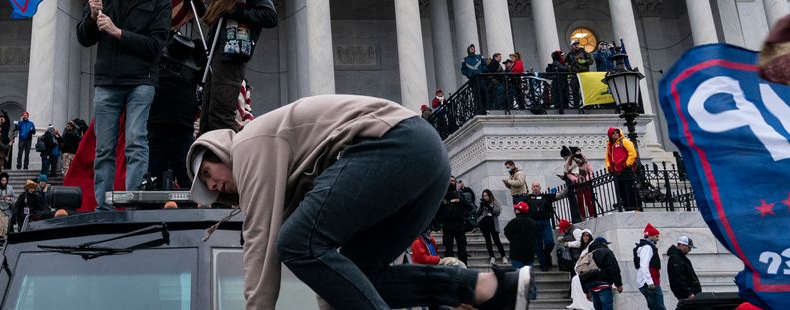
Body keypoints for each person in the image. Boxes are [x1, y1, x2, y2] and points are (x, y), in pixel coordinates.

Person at [187, 95, 535, 310]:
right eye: (208, 187)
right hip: (426, 160)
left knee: (293, 242)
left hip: (397, 143)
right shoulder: (288, 177)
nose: (214, 185)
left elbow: (262, 245)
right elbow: (330, 271)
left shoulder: (249, 143)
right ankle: (487, 288)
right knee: (361, 274)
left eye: (207, 173)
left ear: (217, 150)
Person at [77, 0, 171, 211]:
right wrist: (92, 16)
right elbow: (84, 38)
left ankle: (132, 203)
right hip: (108, 82)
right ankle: (103, 207)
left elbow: (156, 46)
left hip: (142, 81)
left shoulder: (160, 2)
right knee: (104, 149)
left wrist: (118, 33)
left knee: (135, 141)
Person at [191, 0, 277, 134]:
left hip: (232, 56)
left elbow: (269, 16)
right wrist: (198, 5)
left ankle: (232, 158)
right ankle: (211, 157)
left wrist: (234, 11)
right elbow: (216, 21)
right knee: (207, 118)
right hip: (216, 56)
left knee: (220, 115)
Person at [148, 31, 203, 189]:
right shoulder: (194, 58)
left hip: (174, 126)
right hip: (165, 125)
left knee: (183, 180)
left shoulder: (195, 58)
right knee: (161, 179)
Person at [579, 236, 622, 310]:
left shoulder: (587, 255)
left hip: (591, 286)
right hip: (603, 284)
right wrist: (618, 284)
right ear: (603, 244)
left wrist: (585, 291)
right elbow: (613, 268)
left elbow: (582, 273)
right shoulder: (606, 252)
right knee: (607, 307)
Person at [605, 127, 640, 212]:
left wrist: (627, 164)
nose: (616, 134)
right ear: (610, 135)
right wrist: (609, 167)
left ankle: (634, 207)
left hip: (625, 169)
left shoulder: (624, 141)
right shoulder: (610, 145)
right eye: (613, 133)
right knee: (621, 191)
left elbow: (632, 153)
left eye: (617, 132)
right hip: (616, 171)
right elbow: (607, 158)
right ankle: (627, 208)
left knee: (629, 189)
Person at [525, 182, 556, 271]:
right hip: (533, 223)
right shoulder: (527, 198)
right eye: (534, 186)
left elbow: (560, 195)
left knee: (550, 242)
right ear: (532, 188)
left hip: (545, 222)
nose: (535, 188)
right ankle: (543, 264)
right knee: (537, 245)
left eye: (537, 186)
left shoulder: (546, 197)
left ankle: (546, 256)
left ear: (540, 187)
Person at [439, 178, 470, 265]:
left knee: (449, 249)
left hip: (447, 227)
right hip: (459, 226)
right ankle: (464, 267)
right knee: (461, 248)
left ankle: (449, 269)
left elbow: (437, 213)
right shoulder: (459, 196)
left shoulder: (442, 198)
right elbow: (470, 207)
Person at [562, 145, 597, 219]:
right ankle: (583, 216)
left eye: (579, 151)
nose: (578, 153)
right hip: (578, 184)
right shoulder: (569, 163)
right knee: (580, 201)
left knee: (588, 199)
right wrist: (576, 180)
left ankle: (592, 214)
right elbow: (568, 174)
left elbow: (589, 169)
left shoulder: (584, 160)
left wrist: (588, 177)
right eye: (577, 151)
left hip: (586, 182)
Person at [636, 224, 666, 310]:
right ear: (651, 236)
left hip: (647, 283)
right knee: (658, 307)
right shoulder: (647, 247)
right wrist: (650, 282)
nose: (658, 238)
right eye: (656, 236)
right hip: (650, 284)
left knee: (654, 306)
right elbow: (644, 265)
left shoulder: (643, 246)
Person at [666, 235, 702, 302]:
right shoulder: (676, 259)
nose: (690, 250)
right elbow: (678, 278)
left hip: (690, 294)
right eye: (689, 247)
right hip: (687, 296)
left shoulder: (681, 258)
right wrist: (689, 293)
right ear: (682, 245)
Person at [504, 201, 537, 269]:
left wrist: (513, 240)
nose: (515, 210)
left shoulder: (513, 222)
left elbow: (506, 232)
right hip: (529, 254)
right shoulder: (532, 222)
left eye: (516, 209)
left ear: (519, 211)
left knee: (517, 276)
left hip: (516, 254)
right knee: (528, 276)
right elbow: (536, 235)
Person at [568, 229, 595, 310]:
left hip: (590, 271)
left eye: (587, 236)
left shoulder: (591, 246)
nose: (585, 237)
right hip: (583, 272)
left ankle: (587, 304)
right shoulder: (584, 247)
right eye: (584, 235)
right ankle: (578, 303)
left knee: (577, 280)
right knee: (575, 280)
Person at [477, 188, 506, 265]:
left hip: (493, 224)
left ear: (490, 195)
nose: (485, 197)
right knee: (488, 241)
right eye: (483, 196)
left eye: (486, 195)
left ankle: (503, 256)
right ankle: (492, 257)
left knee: (497, 240)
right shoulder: (482, 203)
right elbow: (477, 214)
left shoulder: (495, 202)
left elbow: (497, 212)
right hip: (484, 224)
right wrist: (481, 206)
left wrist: (489, 207)